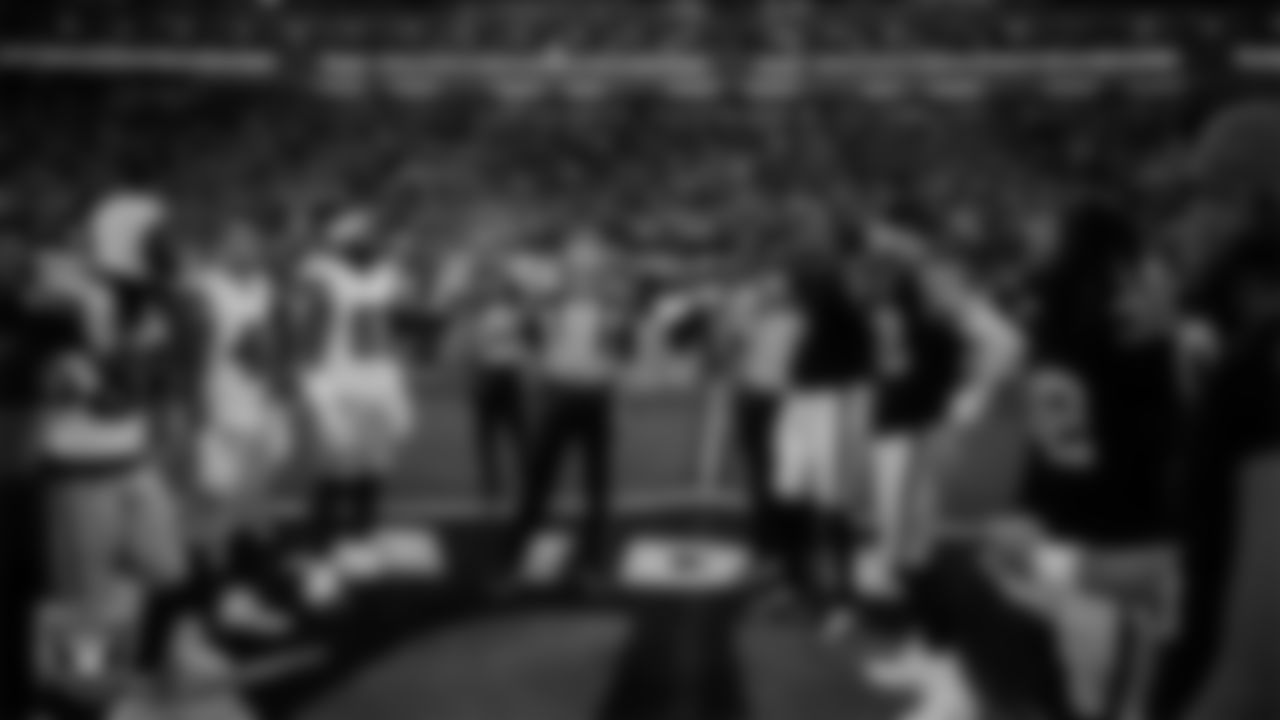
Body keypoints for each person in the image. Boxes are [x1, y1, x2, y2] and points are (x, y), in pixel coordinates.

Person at [30, 192, 231, 712]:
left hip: (133, 461)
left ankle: (139, 677)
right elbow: (108, 390)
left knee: (172, 576)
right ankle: (82, 706)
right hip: (79, 470)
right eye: (156, 237)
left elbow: (155, 381)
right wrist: (110, 327)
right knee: (84, 610)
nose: (169, 247)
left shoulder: (147, 298)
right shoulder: (66, 298)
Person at [294, 209, 431, 605]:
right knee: (333, 476)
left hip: (377, 387)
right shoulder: (321, 277)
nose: (369, 242)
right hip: (339, 389)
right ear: (342, 242)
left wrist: (397, 392)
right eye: (360, 237)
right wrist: (320, 398)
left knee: (373, 471)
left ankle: (361, 542)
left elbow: (396, 334)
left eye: (372, 235)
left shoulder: (388, 275)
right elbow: (307, 345)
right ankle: (320, 559)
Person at [183, 220, 294, 636]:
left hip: (259, 411)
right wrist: (191, 415)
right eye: (237, 244)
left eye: (252, 244)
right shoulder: (201, 291)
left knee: (253, 511)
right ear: (220, 249)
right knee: (220, 514)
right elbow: (184, 356)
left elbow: (274, 346)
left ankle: (233, 598)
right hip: (220, 415)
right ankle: (219, 603)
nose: (247, 252)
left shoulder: (265, 288)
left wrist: (282, 394)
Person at [501, 227, 629, 590]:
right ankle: (516, 554)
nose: (584, 272)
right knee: (539, 481)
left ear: (600, 269)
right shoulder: (552, 302)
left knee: (596, 485)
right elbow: (527, 338)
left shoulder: (610, 305)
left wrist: (617, 334)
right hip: (559, 394)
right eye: (577, 265)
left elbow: (623, 350)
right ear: (568, 268)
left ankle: (595, 561)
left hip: (594, 396)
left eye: (591, 266)